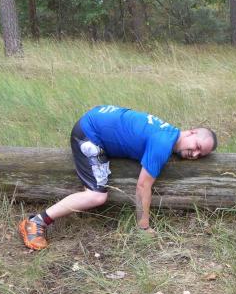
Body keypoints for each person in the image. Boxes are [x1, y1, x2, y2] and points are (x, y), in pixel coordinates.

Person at [18, 105, 218, 250]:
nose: (195, 154)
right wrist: (144, 226)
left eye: (200, 155)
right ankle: (36, 222)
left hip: (96, 119)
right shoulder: (163, 143)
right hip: (89, 134)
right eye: (197, 146)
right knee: (96, 196)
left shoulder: (168, 132)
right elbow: (143, 186)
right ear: (191, 132)